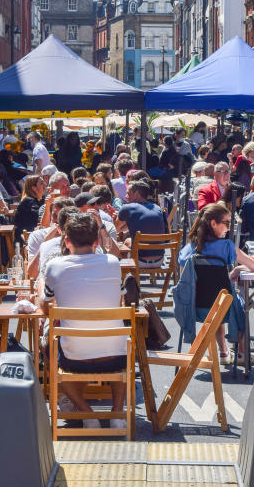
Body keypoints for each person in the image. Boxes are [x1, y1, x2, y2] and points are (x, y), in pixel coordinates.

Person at [38, 212, 127, 429]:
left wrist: (41, 284)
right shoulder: (113, 262)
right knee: (118, 341)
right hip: (116, 355)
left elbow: (43, 305)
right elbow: (121, 298)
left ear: (67, 242)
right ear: (97, 241)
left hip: (74, 358)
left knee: (47, 349)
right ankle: (116, 413)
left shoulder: (55, 266)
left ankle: (87, 413)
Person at [177, 203, 254, 364]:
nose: (229, 228)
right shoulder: (226, 246)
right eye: (227, 223)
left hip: (194, 309)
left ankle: (223, 351)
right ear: (213, 223)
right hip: (225, 309)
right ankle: (242, 353)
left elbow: (185, 283)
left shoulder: (188, 249)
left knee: (218, 300)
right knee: (237, 303)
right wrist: (240, 268)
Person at [117, 180, 167, 264]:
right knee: (129, 241)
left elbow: (116, 230)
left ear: (137, 194)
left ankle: (128, 274)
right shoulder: (157, 208)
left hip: (138, 261)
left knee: (122, 244)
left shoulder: (127, 208)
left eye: (128, 193)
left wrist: (116, 217)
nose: (125, 196)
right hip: (160, 260)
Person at [13, 174, 46, 240]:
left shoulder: (37, 200)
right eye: (42, 183)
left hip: (31, 236)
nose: (45, 184)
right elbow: (39, 217)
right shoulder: (29, 201)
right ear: (34, 188)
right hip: (24, 240)